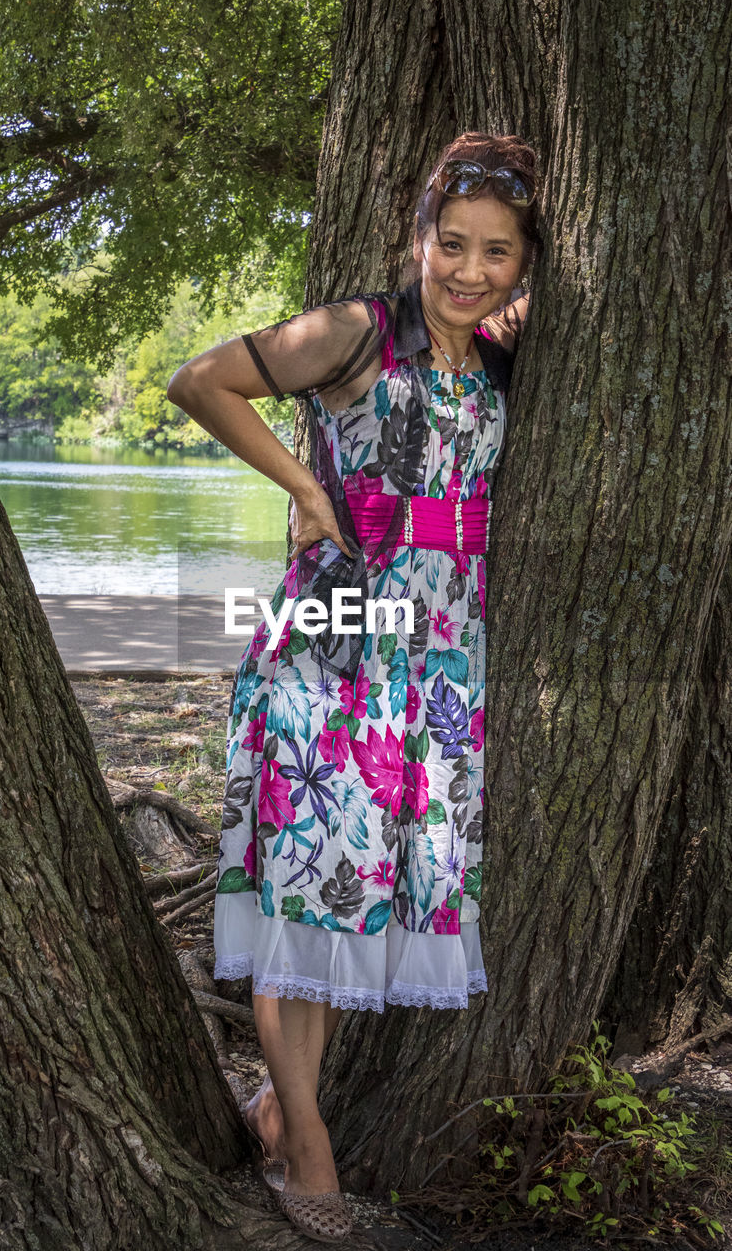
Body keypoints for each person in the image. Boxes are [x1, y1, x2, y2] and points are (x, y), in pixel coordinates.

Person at [168, 130, 541, 1243]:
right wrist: (305, 486)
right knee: (307, 887)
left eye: (499, 254)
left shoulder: (495, 357)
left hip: (436, 662)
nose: (470, 271)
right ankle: (311, 1157)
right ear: (417, 236)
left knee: (348, 896)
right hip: (332, 644)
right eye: (453, 245)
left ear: (525, 266)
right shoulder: (355, 331)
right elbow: (204, 380)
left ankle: (279, 1111)